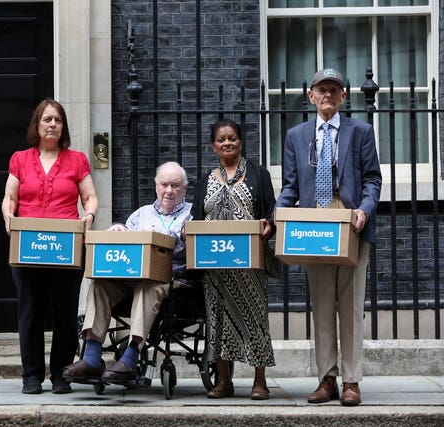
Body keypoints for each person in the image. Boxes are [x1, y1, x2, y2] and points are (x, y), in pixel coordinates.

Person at [275, 68, 382, 406]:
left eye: (334, 90)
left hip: (350, 220)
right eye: (322, 90)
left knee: (350, 305)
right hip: (313, 220)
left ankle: (352, 380)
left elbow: (372, 180)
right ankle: (327, 379)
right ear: (311, 96)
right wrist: (278, 212)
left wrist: (364, 210)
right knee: (321, 303)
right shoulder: (296, 135)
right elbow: (290, 186)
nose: (328, 96)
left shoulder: (361, 132)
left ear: (343, 97)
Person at [62, 161, 192, 385]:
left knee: (148, 286)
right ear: (156, 186)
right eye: (164, 184)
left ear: (184, 189)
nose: (169, 190)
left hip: (168, 280)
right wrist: (118, 230)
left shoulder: (190, 215)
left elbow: (187, 249)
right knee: (100, 284)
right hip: (131, 278)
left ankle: (131, 356)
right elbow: (126, 244)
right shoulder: (141, 214)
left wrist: (160, 237)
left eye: (175, 185)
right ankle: (92, 357)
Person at [1, 98, 98, 395]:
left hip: (66, 246)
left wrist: (89, 216)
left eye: (57, 120)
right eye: (47, 119)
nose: (52, 124)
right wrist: (8, 217)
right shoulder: (19, 159)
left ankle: (60, 374)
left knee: (65, 313)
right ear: (37, 125)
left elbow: (90, 197)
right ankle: (31, 375)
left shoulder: (77, 159)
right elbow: (10, 198)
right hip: (27, 245)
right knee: (29, 311)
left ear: (63, 126)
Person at [191, 118, 276, 400]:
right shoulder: (205, 180)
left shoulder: (258, 174)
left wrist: (268, 224)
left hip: (249, 264)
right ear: (213, 146)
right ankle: (224, 380)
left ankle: (259, 381)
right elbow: (197, 219)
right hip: (215, 266)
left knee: (254, 318)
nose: (227, 143)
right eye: (221, 139)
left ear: (241, 142)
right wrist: (186, 232)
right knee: (219, 322)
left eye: (232, 138)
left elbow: (270, 213)